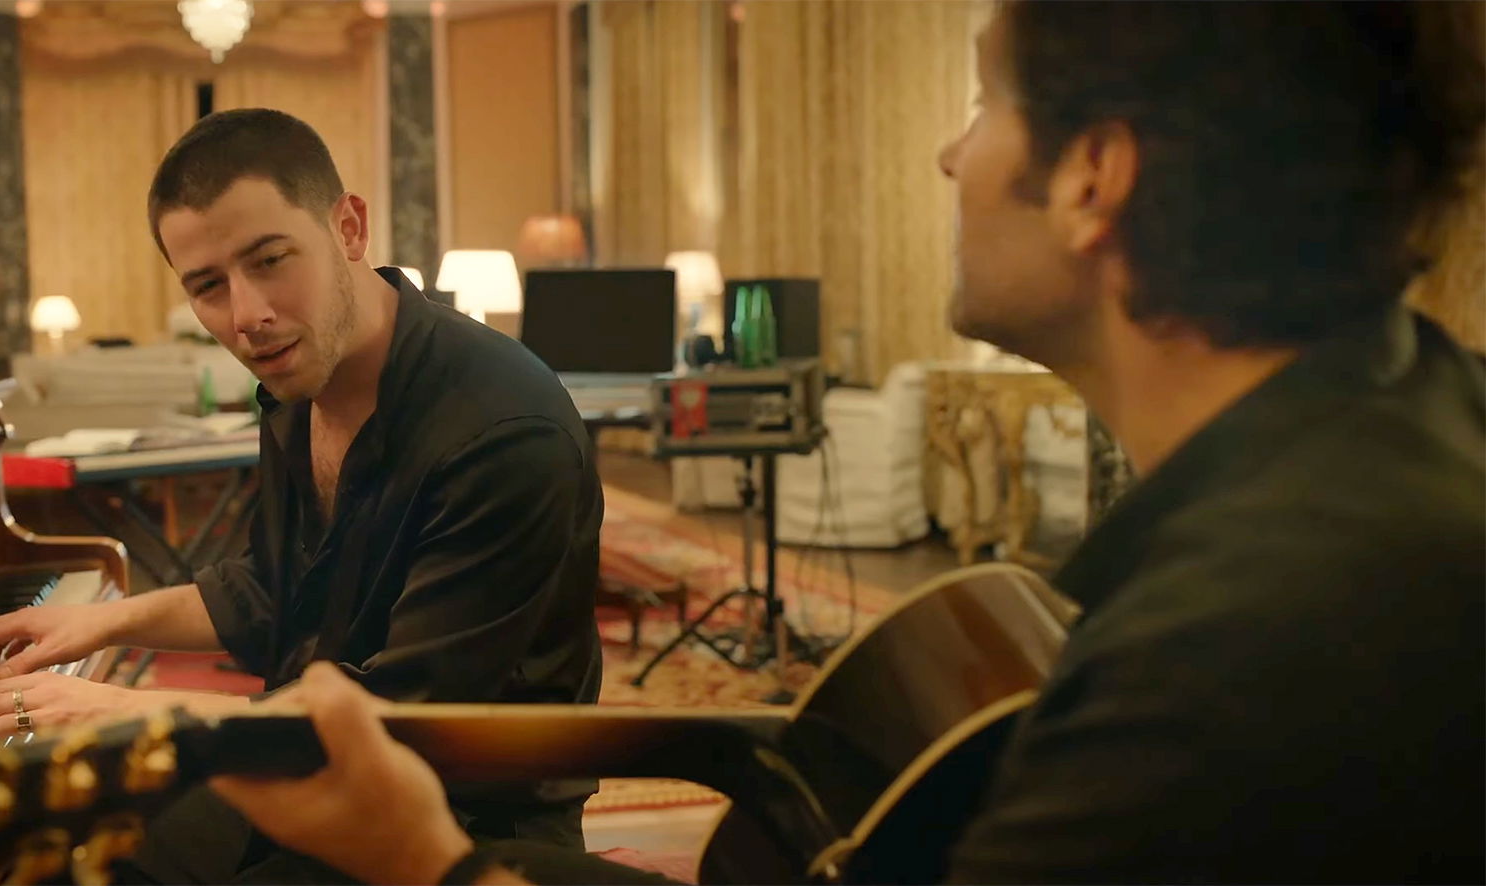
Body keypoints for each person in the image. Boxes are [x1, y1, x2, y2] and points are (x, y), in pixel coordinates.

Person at [205, 2, 1486, 883]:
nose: (947, 154)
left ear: (1093, 175)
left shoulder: (1232, 657)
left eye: (982, 102)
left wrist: (425, 862)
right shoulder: (1407, 417)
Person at [0, 109, 606, 881]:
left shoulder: (503, 431)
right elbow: (270, 590)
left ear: (349, 228)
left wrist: (124, 712)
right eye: (207, 285)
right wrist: (99, 621)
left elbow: (397, 722)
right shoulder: (299, 388)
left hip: (456, 825)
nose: (246, 316)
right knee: (40, 843)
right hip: (302, 774)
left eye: (270, 259)